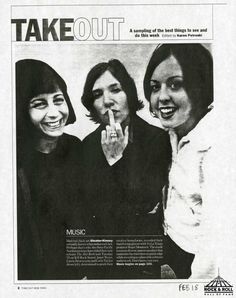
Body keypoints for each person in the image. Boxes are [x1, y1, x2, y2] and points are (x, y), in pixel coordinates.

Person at [81, 59, 171, 279]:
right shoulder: (86, 146)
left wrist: (116, 160)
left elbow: (145, 202)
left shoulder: (157, 139)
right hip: (101, 262)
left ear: (129, 94)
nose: (107, 101)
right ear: (91, 104)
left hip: (142, 259)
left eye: (115, 90)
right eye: (97, 95)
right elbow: (90, 209)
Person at [143, 43, 215, 278]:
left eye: (175, 84)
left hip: (196, 259)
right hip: (173, 243)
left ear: (201, 85)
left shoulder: (214, 148)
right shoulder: (174, 132)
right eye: (155, 87)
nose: (161, 97)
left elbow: (215, 245)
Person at [16, 59, 84, 280]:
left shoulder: (77, 147)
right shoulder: (13, 160)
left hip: (79, 274)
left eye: (58, 100)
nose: (54, 113)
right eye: (39, 104)